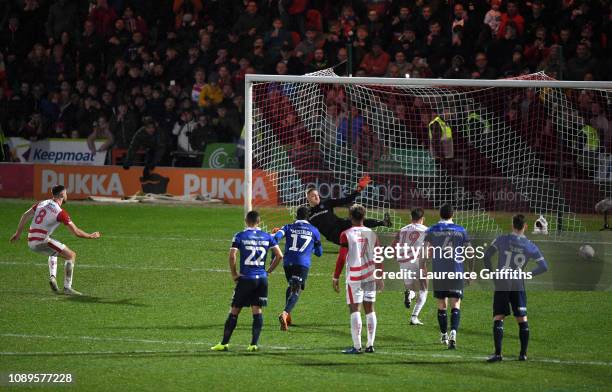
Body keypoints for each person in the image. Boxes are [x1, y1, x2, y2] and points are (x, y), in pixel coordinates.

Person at [211, 211, 283, 352]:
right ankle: (253, 344)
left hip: (246, 279)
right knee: (257, 311)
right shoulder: (267, 236)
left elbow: (232, 256)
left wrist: (234, 274)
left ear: (246, 221)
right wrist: (267, 272)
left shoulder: (240, 235)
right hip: (261, 280)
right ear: (259, 221)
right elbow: (279, 255)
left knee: (234, 311)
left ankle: (224, 343)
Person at [9, 185, 101, 295]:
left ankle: (53, 277)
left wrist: (18, 233)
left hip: (31, 240)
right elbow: (76, 232)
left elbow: (25, 215)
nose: (67, 195)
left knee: (54, 248)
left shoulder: (41, 203)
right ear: (62, 195)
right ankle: (67, 288)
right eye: (66, 193)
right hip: (41, 241)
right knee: (71, 255)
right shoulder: (60, 212)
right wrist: (90, 236)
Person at [483, 214, 549, 362]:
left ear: (512, 224)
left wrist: (492, 274)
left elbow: (486, 256)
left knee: (499, 316)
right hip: (518, 282)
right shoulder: (530, 245)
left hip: (502, 281)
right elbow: (544, 267)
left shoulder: (502, 239)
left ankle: (498, 354)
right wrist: (527, 275)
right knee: (522, 318)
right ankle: (523, 354)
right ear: (525, 227)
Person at [333, 204, 383, 354]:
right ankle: (370, 345)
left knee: (355, 309)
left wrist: (335, 276)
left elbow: (342, 257)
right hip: (370, 275)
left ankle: (357, 346)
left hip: (354, 275)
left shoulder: (346, 234)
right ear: (364, 217)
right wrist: (380, 276)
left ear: (350, 217)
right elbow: (379, 256)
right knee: (370, 309)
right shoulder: (372, 234)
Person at [424, 204, 473, 350]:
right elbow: (470, 252)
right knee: (455, 304)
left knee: (442, 305)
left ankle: (444, 334)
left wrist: (423, 267)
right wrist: (470, 271)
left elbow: (425, 252)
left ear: (440, 214)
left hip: (440, 272)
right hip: (456, 272)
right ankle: (453, 333)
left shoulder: (432, 229)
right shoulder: (461, 230)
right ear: (453, 215)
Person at [273, 206, 323, 331]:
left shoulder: (288, 227)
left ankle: (288, 316)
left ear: (296, 216)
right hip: (302, 264)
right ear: (308, 217)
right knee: (297, 290)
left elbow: (276, 237)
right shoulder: (314, 230)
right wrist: (312, 247)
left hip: (287, 263)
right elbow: (319, 253)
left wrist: (274, 234)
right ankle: (284, 313)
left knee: (291, 286)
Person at [306, 175, 391, 245]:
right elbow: (308, 231)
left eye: (317, 195)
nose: (317, 197)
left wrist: (359, 189)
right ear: (308, 198)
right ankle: (380, 247)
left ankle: (383, 222)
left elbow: (347, 200)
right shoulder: (308, 214)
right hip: (334, 235)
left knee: (358, 220)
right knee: (355, 243)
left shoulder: (327, 203)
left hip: (341, 224)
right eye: (313, 196)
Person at [394, 208, 428, 326]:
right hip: (417, 261)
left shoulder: (402, 230)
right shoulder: (426, 230)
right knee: (424, 289)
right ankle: (414, 317)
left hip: (403, 261)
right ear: (422, 219)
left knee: (412, 287)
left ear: (411, 217)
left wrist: (395, 256)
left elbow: (394, 245)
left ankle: (410, 294)